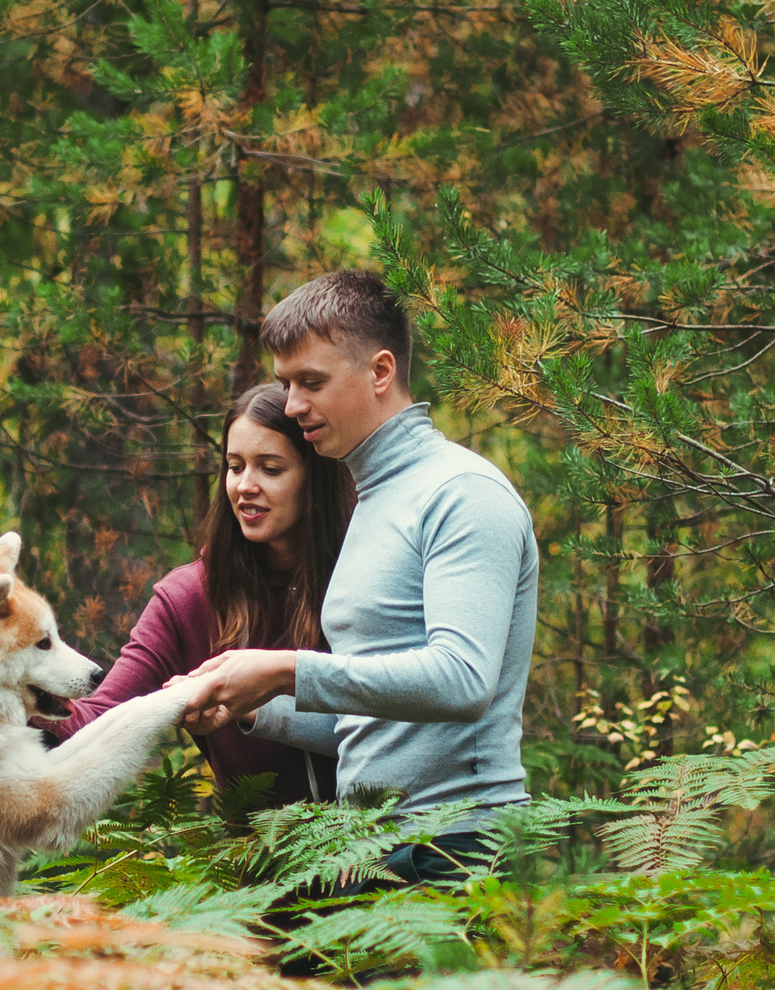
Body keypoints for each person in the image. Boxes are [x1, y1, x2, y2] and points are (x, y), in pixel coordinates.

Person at [176, 270, 540, 884]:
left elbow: (462, 679)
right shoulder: (373, 498)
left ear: (380, 372)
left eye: (310, 382)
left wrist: (284, 668)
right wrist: (257, 709)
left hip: (455, 844)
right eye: (287, 383)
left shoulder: (460, 493)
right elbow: (376, 729)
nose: (292, 406)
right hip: (378, 846)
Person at [47, 381, 353, 805]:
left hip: (399, 851)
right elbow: (99, 719)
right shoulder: (190, 598)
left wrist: (256, 703)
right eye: (235, 466)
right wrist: (8, 698)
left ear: (314, 478)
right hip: (261, 865)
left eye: (270, 468)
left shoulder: (364, 577)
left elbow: (398, 725)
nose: (245, 485)